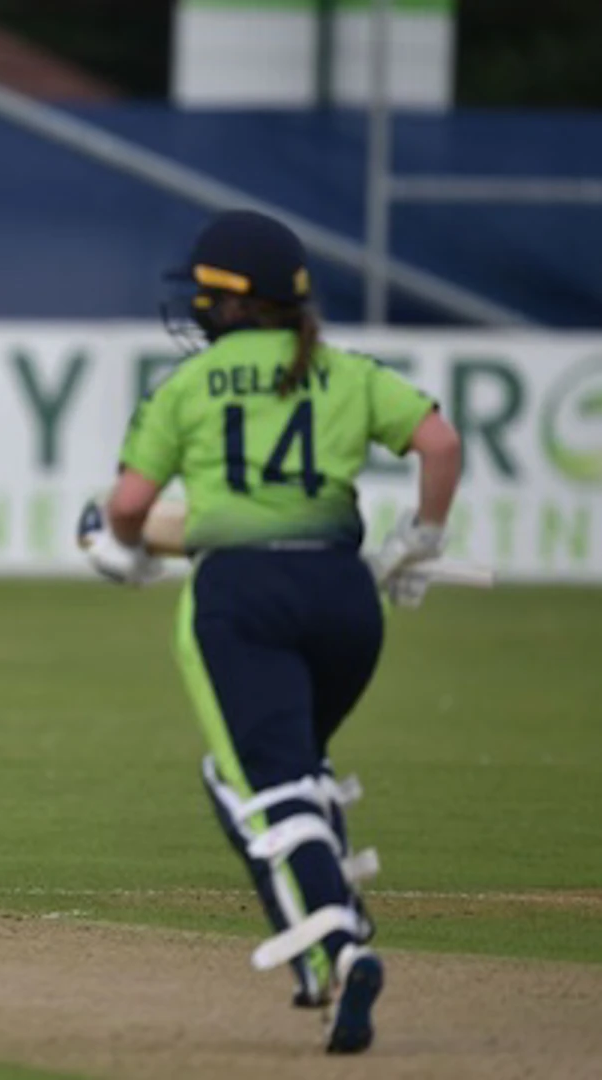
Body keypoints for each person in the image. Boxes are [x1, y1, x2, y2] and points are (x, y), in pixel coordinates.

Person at [78, 209, 462, 1053]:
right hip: (345, 598)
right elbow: (440, 443)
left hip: (240, 599)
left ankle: (339, 940)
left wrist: (131, 555)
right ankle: (323, 962)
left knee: (262, 781)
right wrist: (419, 541)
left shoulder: (185, 387)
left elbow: (131, 508)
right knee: (288, 767)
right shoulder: (345, 370)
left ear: (229, 304)